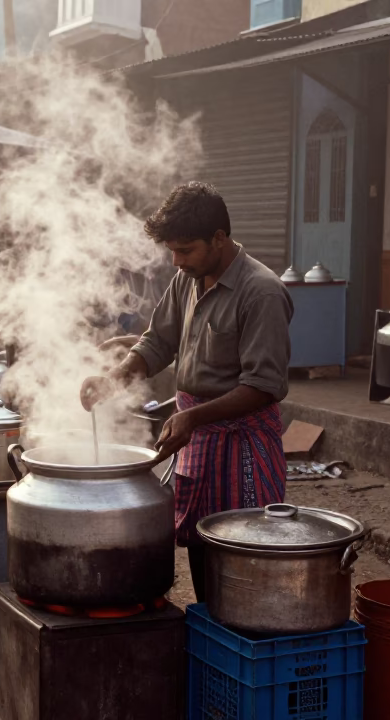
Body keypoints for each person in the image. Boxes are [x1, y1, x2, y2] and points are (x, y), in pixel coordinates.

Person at [80, 182, 293, 602]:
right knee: (199, 546)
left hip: (241, 442)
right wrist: (115, 378)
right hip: (197, 436)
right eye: (172, 252)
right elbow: (157, 342)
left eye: (186, 250)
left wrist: (193, 417)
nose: (177, 261)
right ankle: (208, 639)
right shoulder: (186, 280)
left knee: (243, 559)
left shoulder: (261, 291)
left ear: (219, 238)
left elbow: (264, 386)